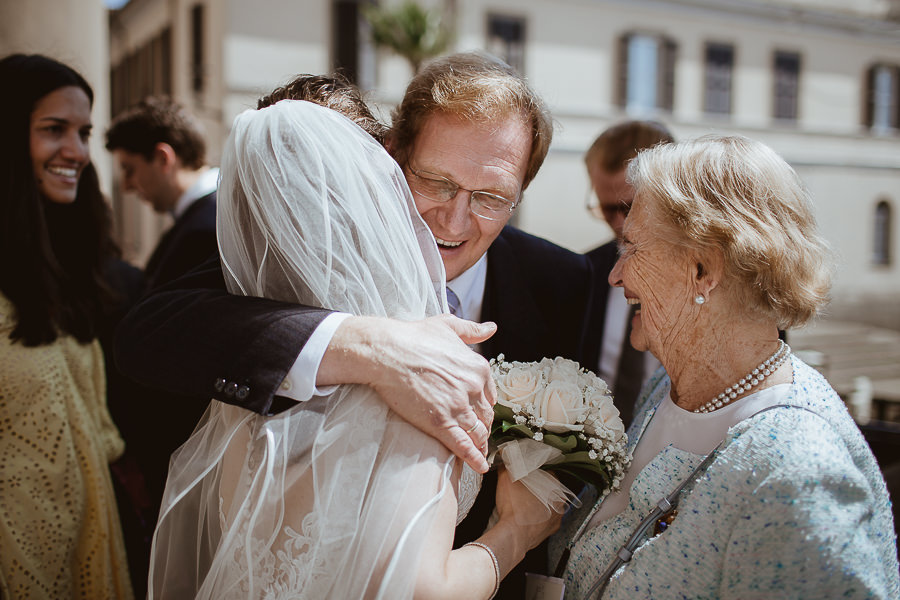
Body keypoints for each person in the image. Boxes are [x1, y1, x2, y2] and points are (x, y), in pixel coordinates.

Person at [115, 53, 598, 595]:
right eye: (436, 181)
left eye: (490, 198)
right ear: (390, 157)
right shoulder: (296, 258)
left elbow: (560, 460)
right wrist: (365, 344)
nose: (456, 219)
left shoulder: (562, 280)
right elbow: (148, 331)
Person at [549, 135, 899, 598]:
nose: (616, 274)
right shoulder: (667, 386)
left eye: (632, 248)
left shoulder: (796, 476)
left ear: (703, 270)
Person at [0, 53, 134, 599]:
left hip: (88, 557)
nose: (77, 152)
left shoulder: (65, 267)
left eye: (83, 132)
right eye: (53, 130)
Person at [582, 120, 674, 428]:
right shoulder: (581, 273)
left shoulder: (718, 279)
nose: (621, 224)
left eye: (630, 206)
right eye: (608, 210)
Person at [106, 97, 218, 290]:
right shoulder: (208, 214)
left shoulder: (206, 229)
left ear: (162, 158)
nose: (125, 186)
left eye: (129, 169)